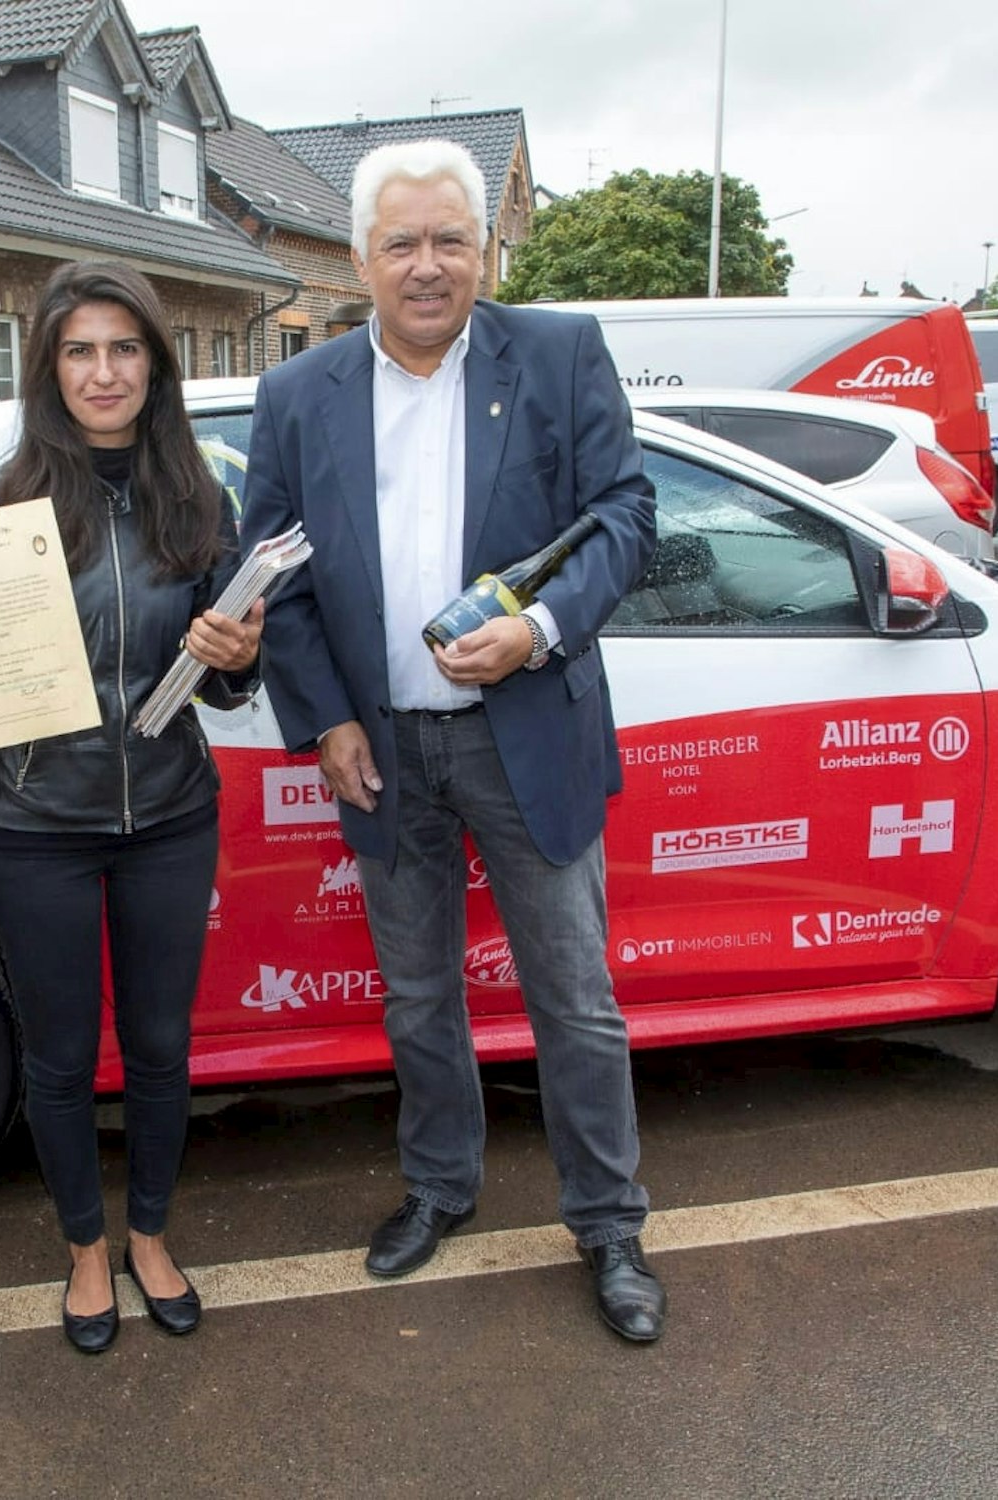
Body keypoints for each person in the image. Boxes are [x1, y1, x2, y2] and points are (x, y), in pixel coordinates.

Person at [240, 141, 667, 1342]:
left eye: (450, 241)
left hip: (521, 731)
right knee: (419, 993)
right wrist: (323, 716)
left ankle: (608, 1222)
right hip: (381, 750)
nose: (426, 267)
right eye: (400, 244)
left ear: (484, 249)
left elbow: (624, 515)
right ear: (359, 257)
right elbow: (276, 573)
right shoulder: (297, 394)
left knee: (571, 999)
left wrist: (536, 629)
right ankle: (438, 1187)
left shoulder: (558, 354)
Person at [0, 261, 261, 1354]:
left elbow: (225, 681)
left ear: (153, 365)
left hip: (169, 813)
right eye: (80, 350)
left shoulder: (197, 493)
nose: (103, 371)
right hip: (35, 826)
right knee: (62, 1055)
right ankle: (84, 1248)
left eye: (124, 349)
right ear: (49, 366)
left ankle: (151, 1236)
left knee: (161, 1047)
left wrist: (235, 654)